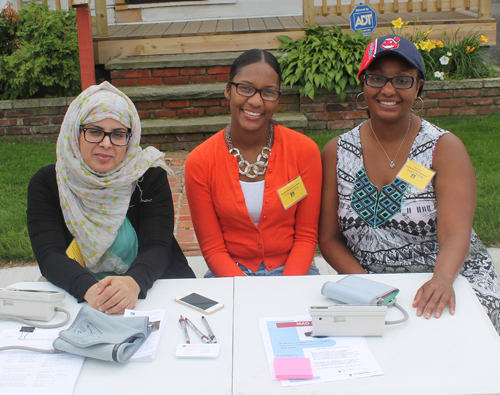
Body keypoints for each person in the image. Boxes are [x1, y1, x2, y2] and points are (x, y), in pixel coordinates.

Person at [319, 35, 500, 334]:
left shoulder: (443, 148)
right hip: (375, 285)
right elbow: (329, 238)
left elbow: (456, 233)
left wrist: (440, 280)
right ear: (363, 83)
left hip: (450, 276)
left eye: (402, 80)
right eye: (377, 78)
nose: (388, 90)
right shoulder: (337, 152)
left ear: (418, 87)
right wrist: (367, 289)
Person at [27, 81, 195, 314]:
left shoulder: (148, 176)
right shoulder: (48, 184)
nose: (106, 143)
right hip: (79, 298)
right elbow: (50, 255)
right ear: (75, 131)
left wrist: (133, 282)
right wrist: (91, 291)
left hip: (152, 291)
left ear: (131, 137)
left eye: (118, 134)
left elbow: (157, 247)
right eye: (94, 131)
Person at [185, 49, 322, 277]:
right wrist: (248, 293)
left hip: (294, 270)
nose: (256, 101)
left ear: (278, 98)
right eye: (246, 88)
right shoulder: (200, 161)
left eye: (268, 92)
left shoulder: (303, 151)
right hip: (230, 272)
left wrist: (285, 288)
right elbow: (213, 248)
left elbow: (306, 235)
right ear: (228, 91)